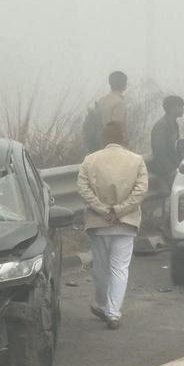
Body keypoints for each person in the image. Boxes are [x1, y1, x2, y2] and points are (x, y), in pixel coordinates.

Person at [77, 121, 148, 330]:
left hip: (98, 224)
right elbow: (140, 191)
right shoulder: (137, 161)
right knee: (120, 268)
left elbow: (82, 188)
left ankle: (100, 302)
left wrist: (102, 209)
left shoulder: (90, 160)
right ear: (124, 138)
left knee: (101, 268)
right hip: (125, 224)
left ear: (103, 139)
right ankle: (113, 313)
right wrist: (120, 210)